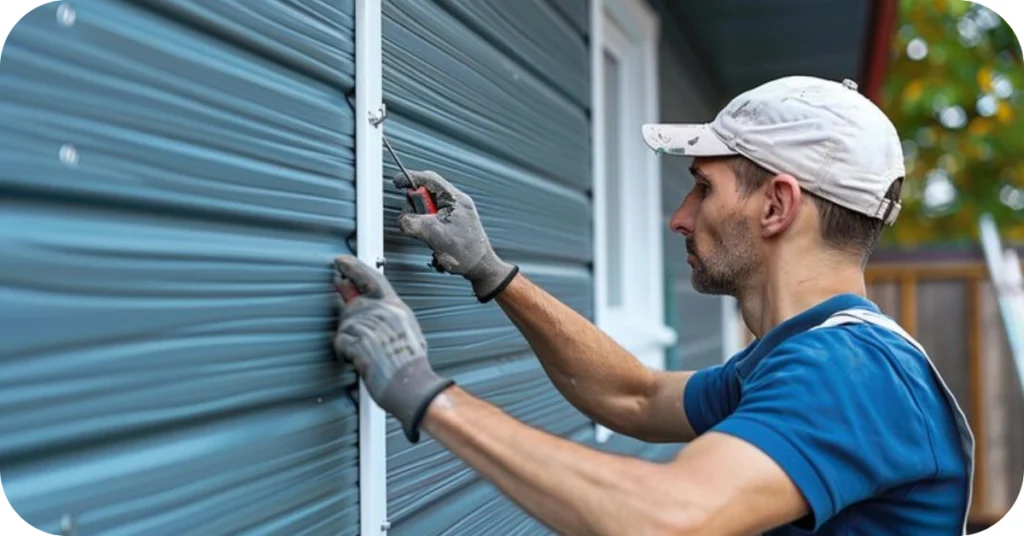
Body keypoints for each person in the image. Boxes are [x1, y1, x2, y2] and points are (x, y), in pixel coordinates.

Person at [331, 75, 974, 535]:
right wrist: (491, 272)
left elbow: (663, 518)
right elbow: (632, 397)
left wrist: (423, 392)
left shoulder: (850, 372)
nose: (680, 218)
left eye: (702, 189)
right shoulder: (803, 355)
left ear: (777, 206)